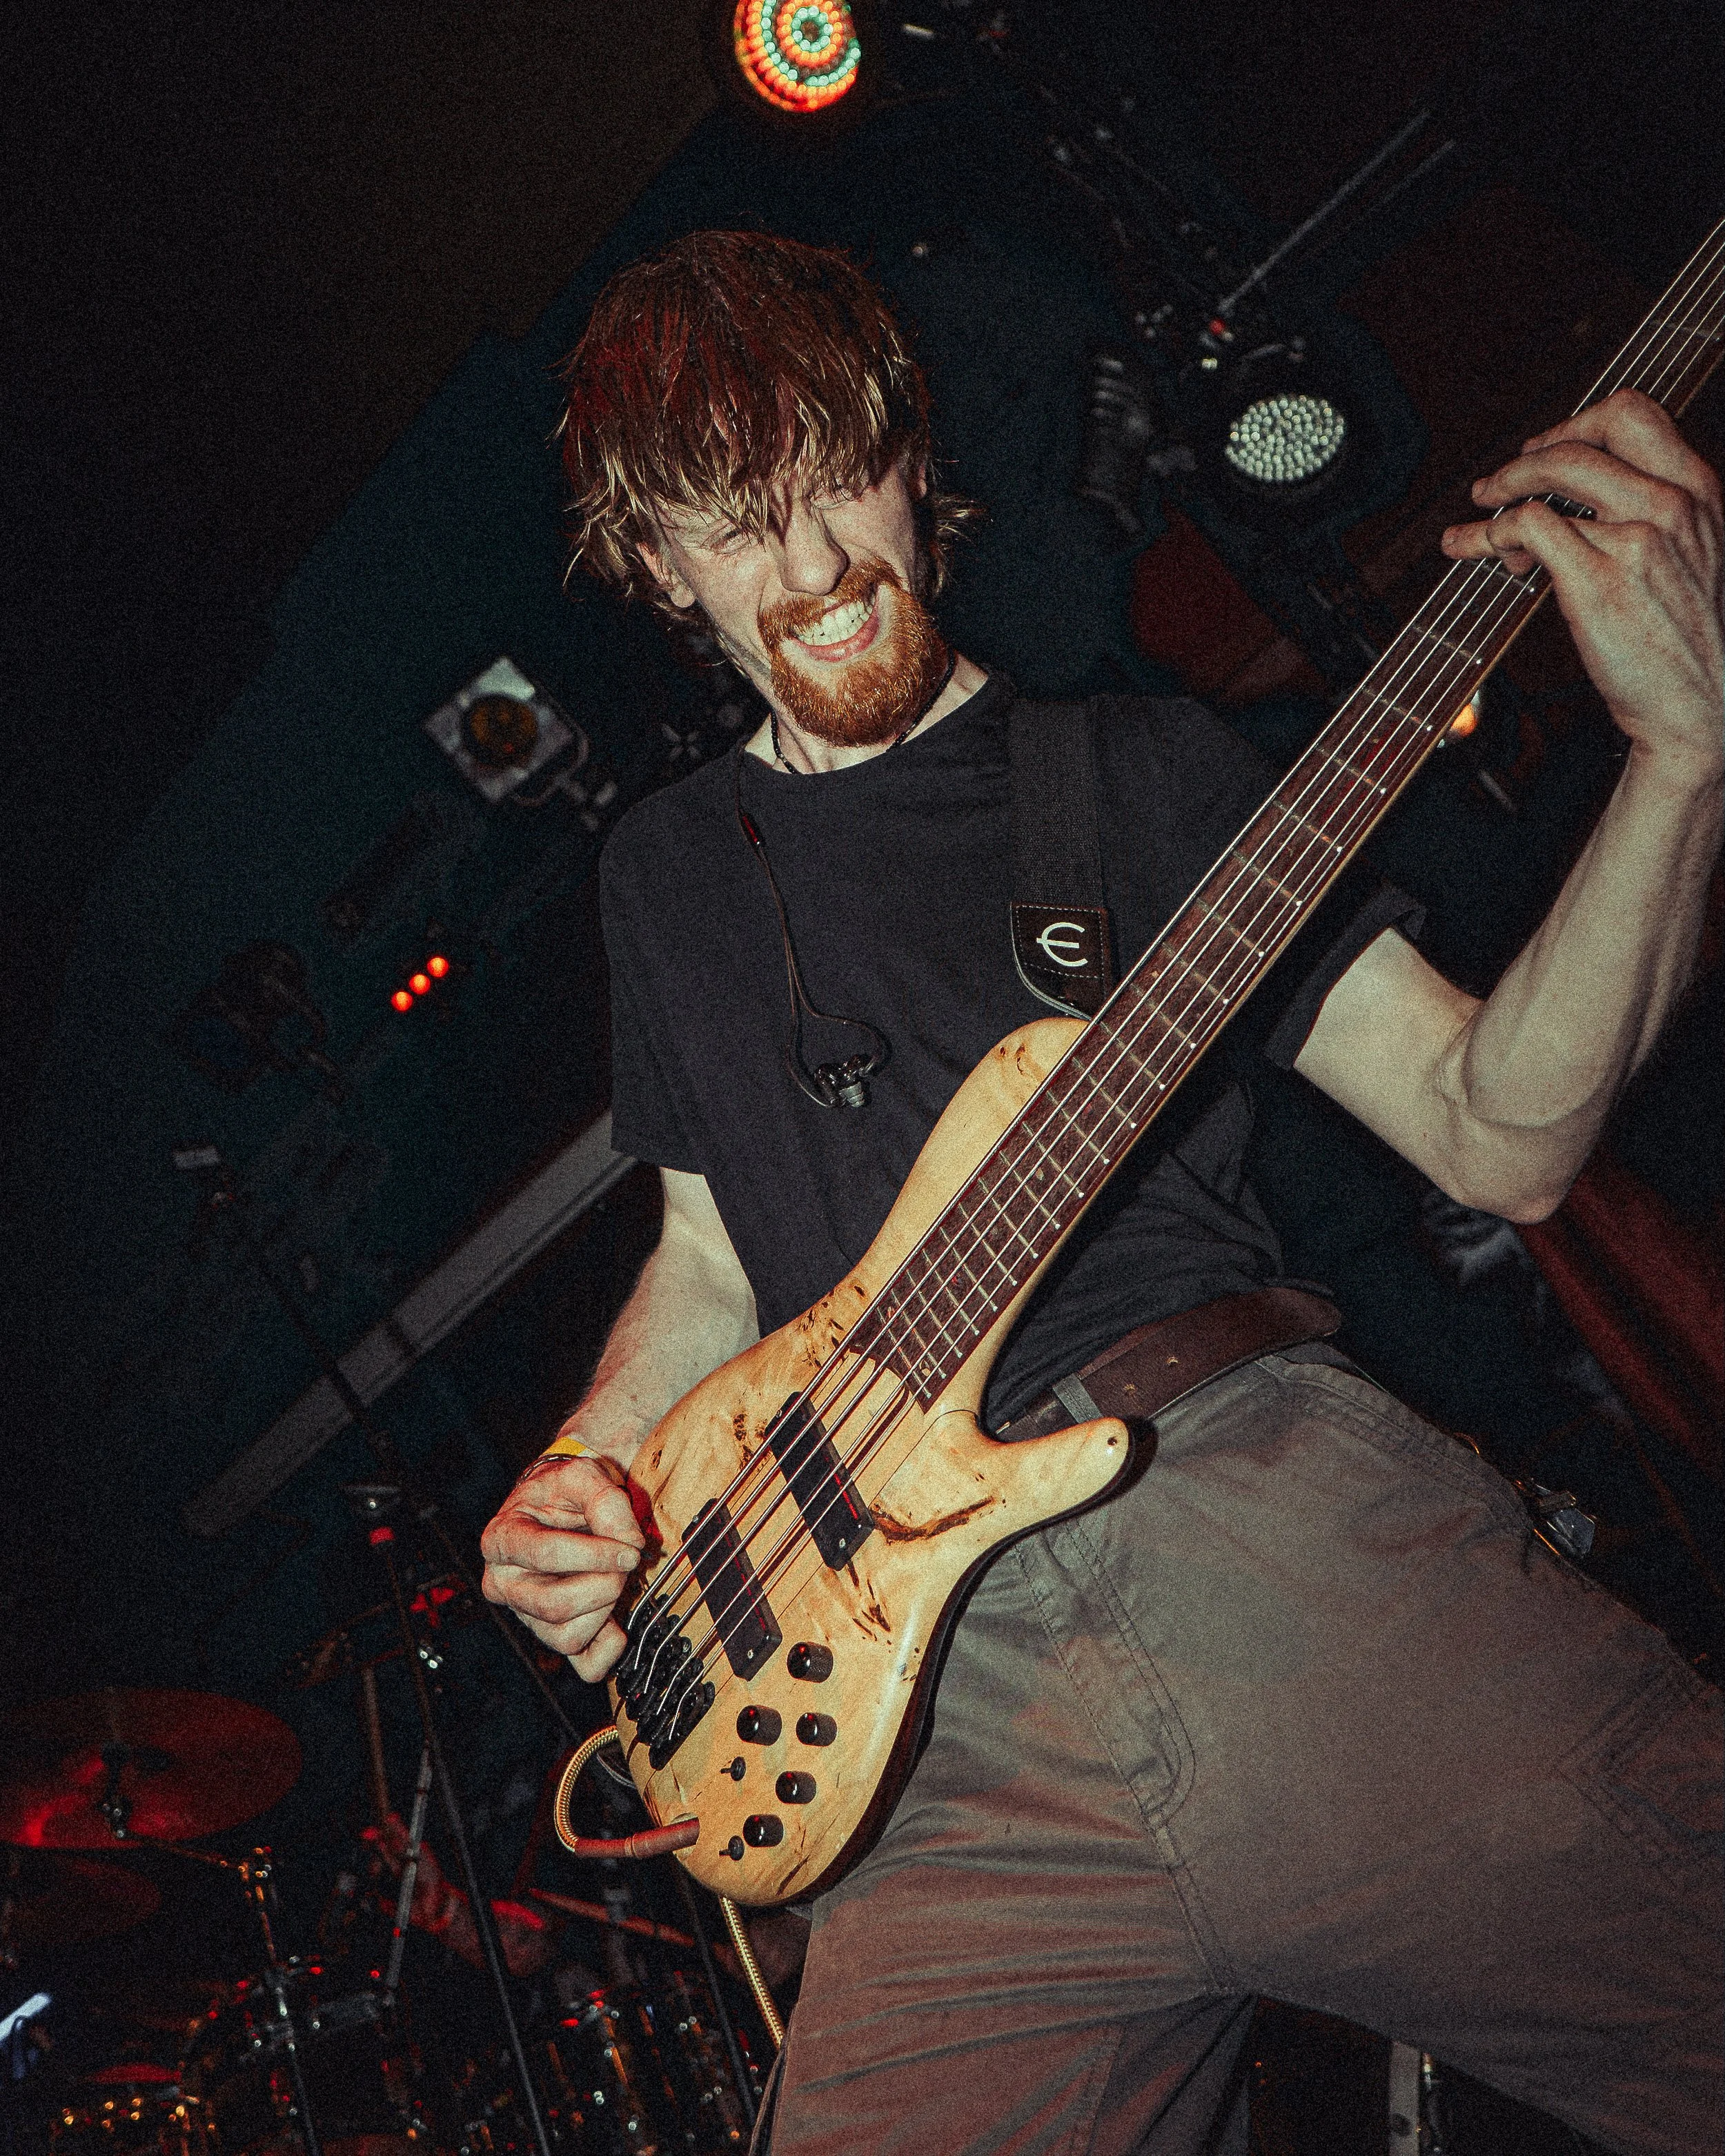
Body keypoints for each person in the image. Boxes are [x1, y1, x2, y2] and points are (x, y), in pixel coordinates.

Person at [480, 230, 1723, 2155]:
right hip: (920, 1763)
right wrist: (600, 1471)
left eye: (832, 479)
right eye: (735, 527)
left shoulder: (1136, 768)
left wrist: (1682, 752)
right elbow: (713, 1254)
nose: (809, 564)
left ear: (913, 459)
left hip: (1266, 1557)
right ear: (657, 570)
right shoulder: (664, 879)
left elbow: (1498, 1132)